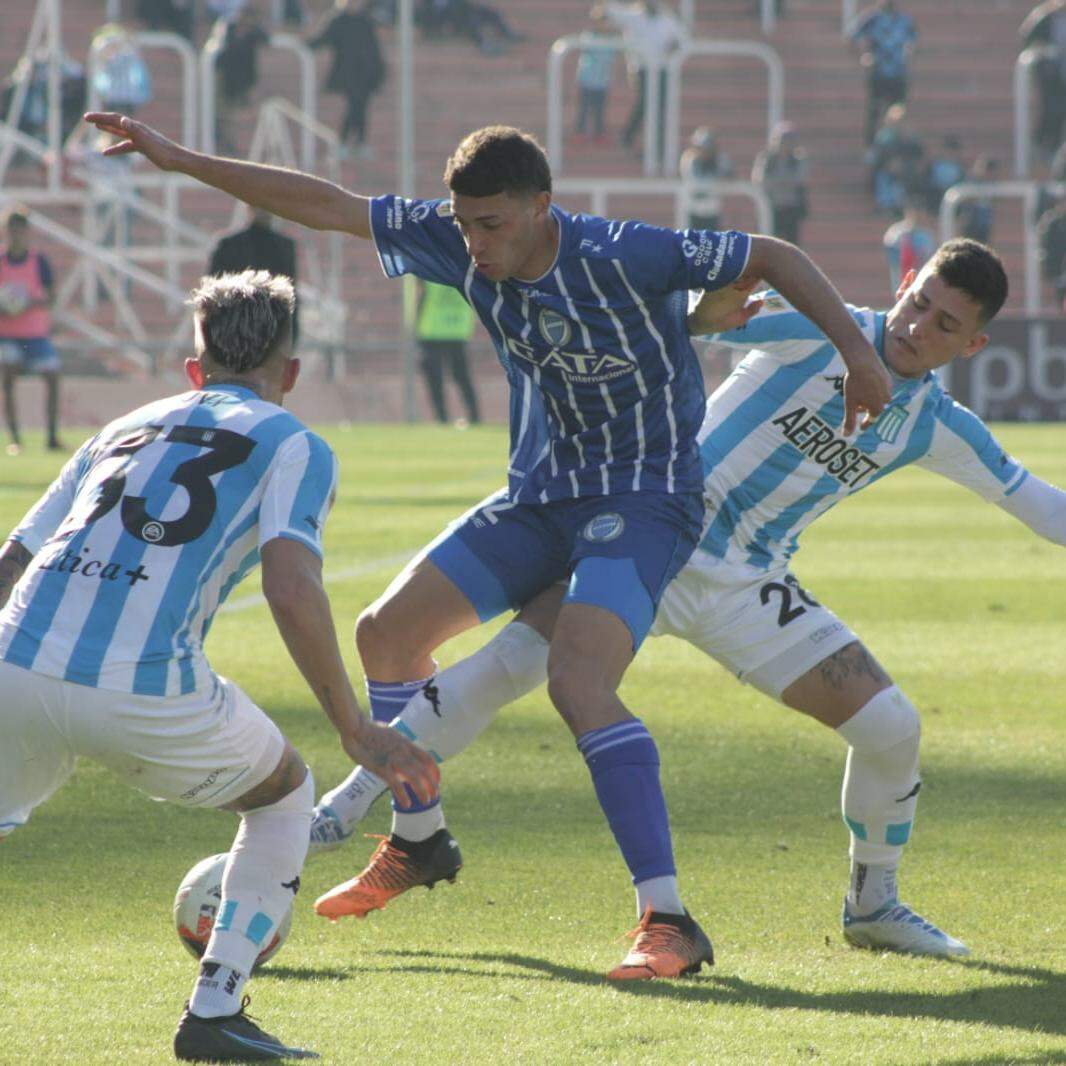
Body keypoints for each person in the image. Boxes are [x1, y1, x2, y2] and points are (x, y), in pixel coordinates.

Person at [82, 109, 891, 979]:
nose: (472, 242)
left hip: (645, 496)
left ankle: (668, 919)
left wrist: (857, 352)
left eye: (492, 224)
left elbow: (771, 253)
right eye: (463, 222)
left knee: (578, 684)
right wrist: (176, 159)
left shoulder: (627, 250)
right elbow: (326, 205)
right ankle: (421, 842)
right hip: (539, 496)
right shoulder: (452, 238)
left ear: (543, 205)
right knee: (386, 632)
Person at [313, 239, 1036, 959]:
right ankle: (342, 810)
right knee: (513, 665)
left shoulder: (935, 424)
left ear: (971, 345)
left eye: (944, 325)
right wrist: (701, 310)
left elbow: (1038, 504)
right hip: (652, 533)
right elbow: (689, 324)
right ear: (905, 283)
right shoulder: (818, 326)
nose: (917, 328)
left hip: (746, 582)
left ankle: (873, 907)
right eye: (919, 304)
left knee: (892, 728)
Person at [0, 269, 438, 1062]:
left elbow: (13, 561)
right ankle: (215, 1011)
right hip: (143, 687)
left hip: (14, 661)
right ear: (292, 374)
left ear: (193, 369)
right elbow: (292, 585)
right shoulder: (297, 442)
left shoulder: (121, 426)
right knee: (284, 793)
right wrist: (352, 725)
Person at [0, 207, 61, 456]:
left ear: (27, 232)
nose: (16, 235)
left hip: (36, 335)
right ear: (6, 232)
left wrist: (28, 303)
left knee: (53, 375)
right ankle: (15, 438)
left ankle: (51, 436)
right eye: (12, 230)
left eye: (21, 230)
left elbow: (51, 297)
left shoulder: (39, 261)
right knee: (9, 374)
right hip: (7, 335)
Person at [605, 0, 683, 165]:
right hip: (642, 68)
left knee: (658, 108)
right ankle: (630, 136)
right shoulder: (633, 15)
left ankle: (655, 147)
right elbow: (608, 10)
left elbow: (681, 38)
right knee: (647, 102)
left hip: (662, 69)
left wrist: (674, 46)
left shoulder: (666, 18)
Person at [308, 0, 386, 159]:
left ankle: (360, 143)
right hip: (348, 73)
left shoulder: (366, 20)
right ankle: (344, 142)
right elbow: (323, 38)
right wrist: (305, 44)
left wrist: (379, 70)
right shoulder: (338, 20)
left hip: (366, 73)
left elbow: (374, 48)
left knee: (362, 107)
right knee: (354, 106)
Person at [209, 208, 299, 345]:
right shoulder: (228, 246)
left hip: (266, 332)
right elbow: (213, 295)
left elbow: (291, 294)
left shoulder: (285, 247)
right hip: (236, 332)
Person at [850, 0, 917, 146]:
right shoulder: (872, 19)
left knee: (898, 111)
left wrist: (908, 55)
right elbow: (852, 37)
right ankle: (871, 146)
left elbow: (914, 41)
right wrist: (863, 56)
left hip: (898, 72)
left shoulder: (904, 20)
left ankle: (896, 144)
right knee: (875, 110)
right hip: (879, 72)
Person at [414, 278, 480, 425]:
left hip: (431, 329)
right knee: (462, 377)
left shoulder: (427, 268)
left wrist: (415, 324)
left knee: (435, 379)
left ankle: (442, 418)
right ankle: (474, 417)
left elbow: (420, 296)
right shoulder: (465, 269)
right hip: (458, 328)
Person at [207, 3, 269, 157]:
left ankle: (240, 146)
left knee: (237, 114)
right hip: (226, 79)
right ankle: (223, 143)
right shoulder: (227, 28)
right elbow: (220, 53)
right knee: (223, 114)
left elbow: (266, 39)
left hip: (244, 81)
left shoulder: (254, 33)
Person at [1020, 0, 1066, 160]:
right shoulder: (1045, 17)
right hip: (1052, 74)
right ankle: (1045, 146)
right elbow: (1027, 38)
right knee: (1054, 109)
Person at [752, 121, 810, 245]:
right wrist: (783, 182)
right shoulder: (767, 159)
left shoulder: (798, 160)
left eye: (788, 140)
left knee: (792, 245)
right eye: (782, 140)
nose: (784, 144)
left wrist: (778, 181)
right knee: (770, 244)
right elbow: (760, 180)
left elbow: (800, 179)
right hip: (772, 208)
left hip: (791, 209)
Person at [573, 5, 618, 143]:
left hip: (602, 81)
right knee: (584, 109)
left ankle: (599, 134)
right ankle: (579, 133)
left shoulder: (612, 40)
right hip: (587, 79)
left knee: (599, 109)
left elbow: (611, 57)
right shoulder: (589, 36)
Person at [679, 126, 734, 232]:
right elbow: (696, 182)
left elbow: (729, 176)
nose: (706, 152)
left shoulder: (720, 160)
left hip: (712, 211)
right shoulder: (689, 160)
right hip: (692, 211)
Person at [883, 197, 935, 290]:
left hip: (919, 270)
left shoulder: (925, 234)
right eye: (913, 212)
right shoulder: (896, 231)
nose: (915, 215)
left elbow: (929, 254)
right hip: (901, 270)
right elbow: (890, 247)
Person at [956, 155, 998, 245]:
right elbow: (965, 201)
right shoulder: (970, 181)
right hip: (970, 223)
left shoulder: (992, 184)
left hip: (984, 225)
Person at [923, 134, 966, 216]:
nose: (949, 153)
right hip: (935, 199)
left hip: (954, 200)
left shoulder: (960, 168)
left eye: (952, 151)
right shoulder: (933, 166)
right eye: (948, 150)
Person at [1037, 197, 1066, 310]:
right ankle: (1056, 305)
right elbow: (1045, 242)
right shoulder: (1052, 223)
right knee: (1057, 283)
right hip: (1056, 260)